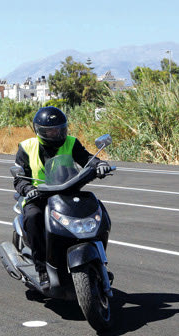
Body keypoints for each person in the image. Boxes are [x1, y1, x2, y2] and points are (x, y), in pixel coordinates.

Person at [13, 106, 110, 289]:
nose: (55, 133)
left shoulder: (71, 142)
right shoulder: (27, 147)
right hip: (39, 196)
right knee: (33, 217)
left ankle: (98, 260)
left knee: (98, 209)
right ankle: (41, 268)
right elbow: (19, 178)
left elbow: (87, 158)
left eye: (59, 129)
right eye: (50, 130)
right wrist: (28, 189)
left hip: (69, 191)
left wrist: (100, 164)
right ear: (39, 131)